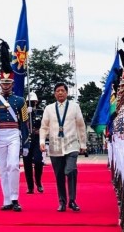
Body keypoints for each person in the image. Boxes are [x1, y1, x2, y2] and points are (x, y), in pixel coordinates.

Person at [0, 68, 30, 212]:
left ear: (12, 84)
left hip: (14, 134)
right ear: (0, 84)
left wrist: (26, 143)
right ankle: (7, 199)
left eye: (8, 83)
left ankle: (15, 198)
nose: (5, 86)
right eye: (3, 83)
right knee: (3, 168)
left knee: (13, 165)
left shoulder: (20, 101)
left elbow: (24, 123)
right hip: (0, 135)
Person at [39, 82, 87, 212]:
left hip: (72, 144)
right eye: (58, 91)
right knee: (59, 175)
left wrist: (83, 143)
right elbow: (44, 127)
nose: (60, 93)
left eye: (63, 90)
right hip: (55, 146)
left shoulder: (74, 107)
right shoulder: (48, 108)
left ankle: (72, 200)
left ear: (67, 93)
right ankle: (62, 202)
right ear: (55, 93)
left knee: (70, 170)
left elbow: (81, 125)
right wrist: (42, 141)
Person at [23, 92, 44, 194]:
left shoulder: (41, 112)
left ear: (36, 102)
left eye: (32, 102)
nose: (30, 103)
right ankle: (30, 186)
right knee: (27, 164)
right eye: (28, 102)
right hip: (26, 140)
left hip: (37, 140)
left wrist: (41, 131)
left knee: (38, 161)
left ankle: (38, 182)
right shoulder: (23, 112)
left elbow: (46, 125)